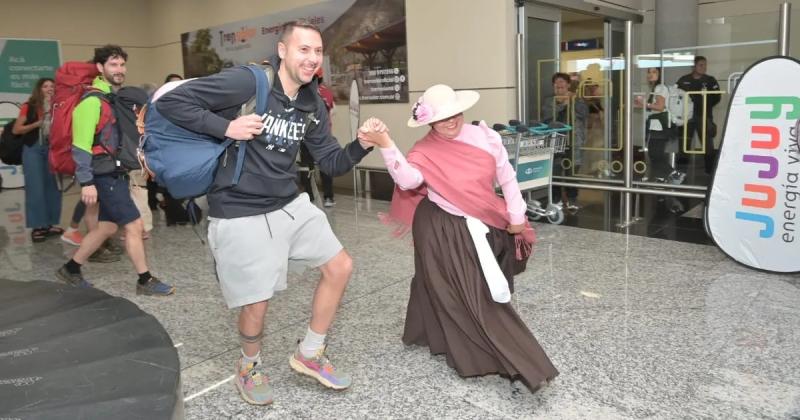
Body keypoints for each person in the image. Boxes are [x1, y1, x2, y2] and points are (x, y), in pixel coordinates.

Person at [156, 20, 373, 405]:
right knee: (257, 301)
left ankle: (310, 352)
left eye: (318, 51)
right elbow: (171, 102)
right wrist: (227, 127)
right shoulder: (249, 82)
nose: (311, 58)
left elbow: (332, 162)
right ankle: (249, 365)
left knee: (340, 267)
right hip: (239, 208)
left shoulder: (312, 101)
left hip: (289, 202)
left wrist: (361, 144)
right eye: (303, 49)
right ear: (283, 50)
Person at [357, 84, 558, 392]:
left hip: (486, 220)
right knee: (465, 291)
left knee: (449, 283)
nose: (450, 122)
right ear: (429, 122)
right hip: (441, 227)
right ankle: (515, 360)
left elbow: (507, 176)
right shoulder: (424, 150)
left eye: (454, 114)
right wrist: (386, 144)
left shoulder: (486, 137)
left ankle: (430, 333)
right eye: (441, 119)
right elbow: (409, 180)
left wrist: (517, 216)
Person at [55, 45, 174, 296]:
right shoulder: (91, 102)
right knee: (134, 225)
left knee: (107, 228)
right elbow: (80, 146)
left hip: (115, 172)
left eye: (121, 65)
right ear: (100, 68)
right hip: (103, 174)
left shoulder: (112, 98)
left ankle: (71, 268)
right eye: (113, 65)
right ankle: (145, 280)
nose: (119, 70)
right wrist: (86, 182)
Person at [12, 78, 64, 243]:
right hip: (33, 149)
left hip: (52, 149)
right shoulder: (30, 106)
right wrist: (37, 124)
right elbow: (17, 129)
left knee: (53, 188)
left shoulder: (59, 106)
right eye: (45, 86)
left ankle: (49, 224)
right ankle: (37, 227)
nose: (49, 89)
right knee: (35, 188)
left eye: (52, 86)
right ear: (39, 89)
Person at [542, 73, 587, 212]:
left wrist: (572, 101)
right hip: (555, 141)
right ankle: (556, 200)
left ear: (568, 84)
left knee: (572, 172)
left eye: (562, 82)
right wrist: (562, 104)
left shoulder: (577, 99)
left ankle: (572, 200)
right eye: (556, 82)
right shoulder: (549, 101)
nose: (559, 84)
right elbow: (547, 116)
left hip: (573, 141)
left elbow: (584, 114)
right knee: (555, 171)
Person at [676, 56, 721, 174]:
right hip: (687, 118)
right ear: (694, 66)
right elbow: (676, 97)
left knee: (708, 146)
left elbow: (717, 97)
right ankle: (681, 173)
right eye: (701, 65)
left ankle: (710, 174)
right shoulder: (683, 80)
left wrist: (705, 105)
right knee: (684, 145)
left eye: (705, 65)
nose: (704, 67)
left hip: (704, 116)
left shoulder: (710, 80)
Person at [299, 68, 336, 207]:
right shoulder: (327, 92)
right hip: (324, 137)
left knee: (306, 167)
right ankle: (329, 197)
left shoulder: (303, 92)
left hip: (306, 137)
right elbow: (331, 112)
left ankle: (309, 196)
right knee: (325, 167)